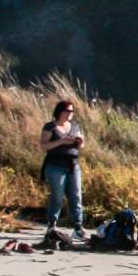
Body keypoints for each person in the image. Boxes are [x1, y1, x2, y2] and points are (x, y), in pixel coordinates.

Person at [39, 99, 87, 240]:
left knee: (76, 195)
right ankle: (52, 224)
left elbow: (81, 145)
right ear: (60, 111)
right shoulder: (50, 127)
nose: (70, 114)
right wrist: (61, 141)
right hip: (55, 165)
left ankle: (78, 226)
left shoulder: (75, 126)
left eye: (72, 111)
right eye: (68, 111)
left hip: (73, 164)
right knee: (57, 196)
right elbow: (43, 146)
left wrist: (80, 142)